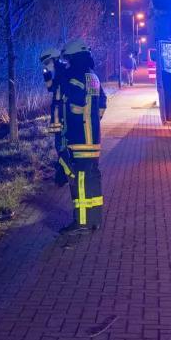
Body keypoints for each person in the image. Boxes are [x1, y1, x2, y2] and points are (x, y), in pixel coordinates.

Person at [59, 39, 106, 234]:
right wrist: (93, 120)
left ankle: (81, 222)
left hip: (79, 140)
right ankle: (94, 219)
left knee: (79, 181)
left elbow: (75, 107)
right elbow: (102, 104)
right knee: (93, 179)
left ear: (75, 59)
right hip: (93, 138)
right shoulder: (93, 77)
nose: (67, 64)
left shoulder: (75, 79)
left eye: (69, 60)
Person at [39, 47, 71, 186]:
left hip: (63, 113)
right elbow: (51, 88)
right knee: (59, 144)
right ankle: (63, 170)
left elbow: (63, 90)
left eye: (47, 62)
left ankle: (64, 172)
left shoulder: (64, 69)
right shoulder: (58, 70)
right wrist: (47, 76)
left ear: (54, 58)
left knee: (61, 144)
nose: (46, 65)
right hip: (58, 113)